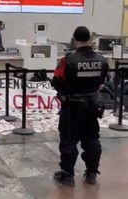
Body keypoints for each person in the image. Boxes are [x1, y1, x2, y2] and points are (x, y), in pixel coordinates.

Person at [51, 26, 109, 187]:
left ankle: (67, 174)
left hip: (73, 105)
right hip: (93, 103)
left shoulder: (68, 60)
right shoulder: (101, 59)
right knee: (92, 139)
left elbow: (56, 80)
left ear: (75, 39)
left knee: (69, 139)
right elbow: (103, 79)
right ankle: (91, 173)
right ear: (89, 39)